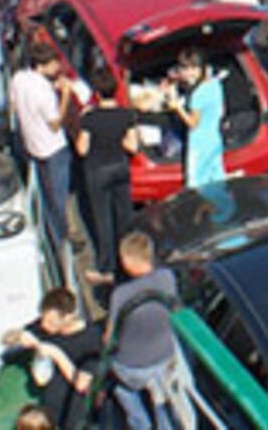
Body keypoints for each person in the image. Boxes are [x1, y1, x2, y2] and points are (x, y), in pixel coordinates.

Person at [105, 231, 189, 430]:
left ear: (126, 260)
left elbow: (109, 337)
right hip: (163, 358)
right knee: (164, 402)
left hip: (131, 368)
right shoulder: (167, 278)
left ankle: (140, 423)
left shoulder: (121, 294)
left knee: (122, 388)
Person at [75, 68, 140, 281]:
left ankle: (107, 266)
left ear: (96, 93)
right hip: (120, 167)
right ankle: (129, 259)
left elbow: (82, 149)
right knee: (125, 216)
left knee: (103, 219)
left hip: (98, 171)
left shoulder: (90, 118)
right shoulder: (126, 115)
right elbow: (132, 146)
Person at [8, 288, 102, 430]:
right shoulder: (44, 328)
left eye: (51, 321)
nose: (45, 325)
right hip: (49, 412)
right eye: (43, 319)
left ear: (68, 317)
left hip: (73, 414)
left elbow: (82, 384)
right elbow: (7, 338)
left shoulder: (92, 340)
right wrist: (20, 336)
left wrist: (56, 355)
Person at [11, 44, 73, 254]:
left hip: (33, 144)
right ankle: (62, 239)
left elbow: (14, 105)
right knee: (59, 196)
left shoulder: (19, 79)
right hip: (52, 147)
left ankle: (54, 233)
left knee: (47, 193)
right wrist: (64, 95)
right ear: (41, 66)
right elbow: (55, 123)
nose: (57, 67)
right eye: (53, 64)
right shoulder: (44, 94)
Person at [166, 49, 225, 189]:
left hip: (199, 145)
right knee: (217, 181)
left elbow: (193, 123)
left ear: (202, 68)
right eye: (184, 69)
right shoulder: (215, 85)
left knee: (196, 186)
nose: (188, 73)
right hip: (215, 140)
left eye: (193, 68)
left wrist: (177, 107)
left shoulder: (197, 95)